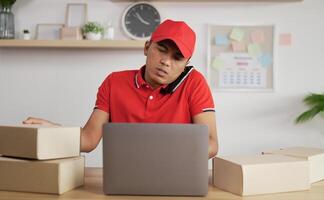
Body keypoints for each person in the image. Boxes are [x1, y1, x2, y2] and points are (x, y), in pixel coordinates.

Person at [23, 19, 218, 159]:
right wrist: (53, 131)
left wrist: (165, 152)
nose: (166, 62)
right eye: (161, 50)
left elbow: (211, 144)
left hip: (178, 175)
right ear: (146, 47)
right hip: (125, 180)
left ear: (186, 64)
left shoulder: (195, 83)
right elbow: (89, 139)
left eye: (177, 58)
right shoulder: (114, 82)